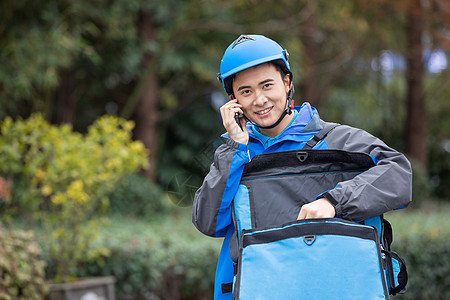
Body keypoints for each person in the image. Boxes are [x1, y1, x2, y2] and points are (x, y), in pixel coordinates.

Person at [192, 34, 412, 300]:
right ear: (233, 100)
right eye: (246, 91)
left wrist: (334, 202)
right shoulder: (234, 154)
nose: (259, 99)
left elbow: (399, 172)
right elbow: (208, 222)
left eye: (267, 85)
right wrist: (236, 149)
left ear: (287, 83)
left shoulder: (339, 141)